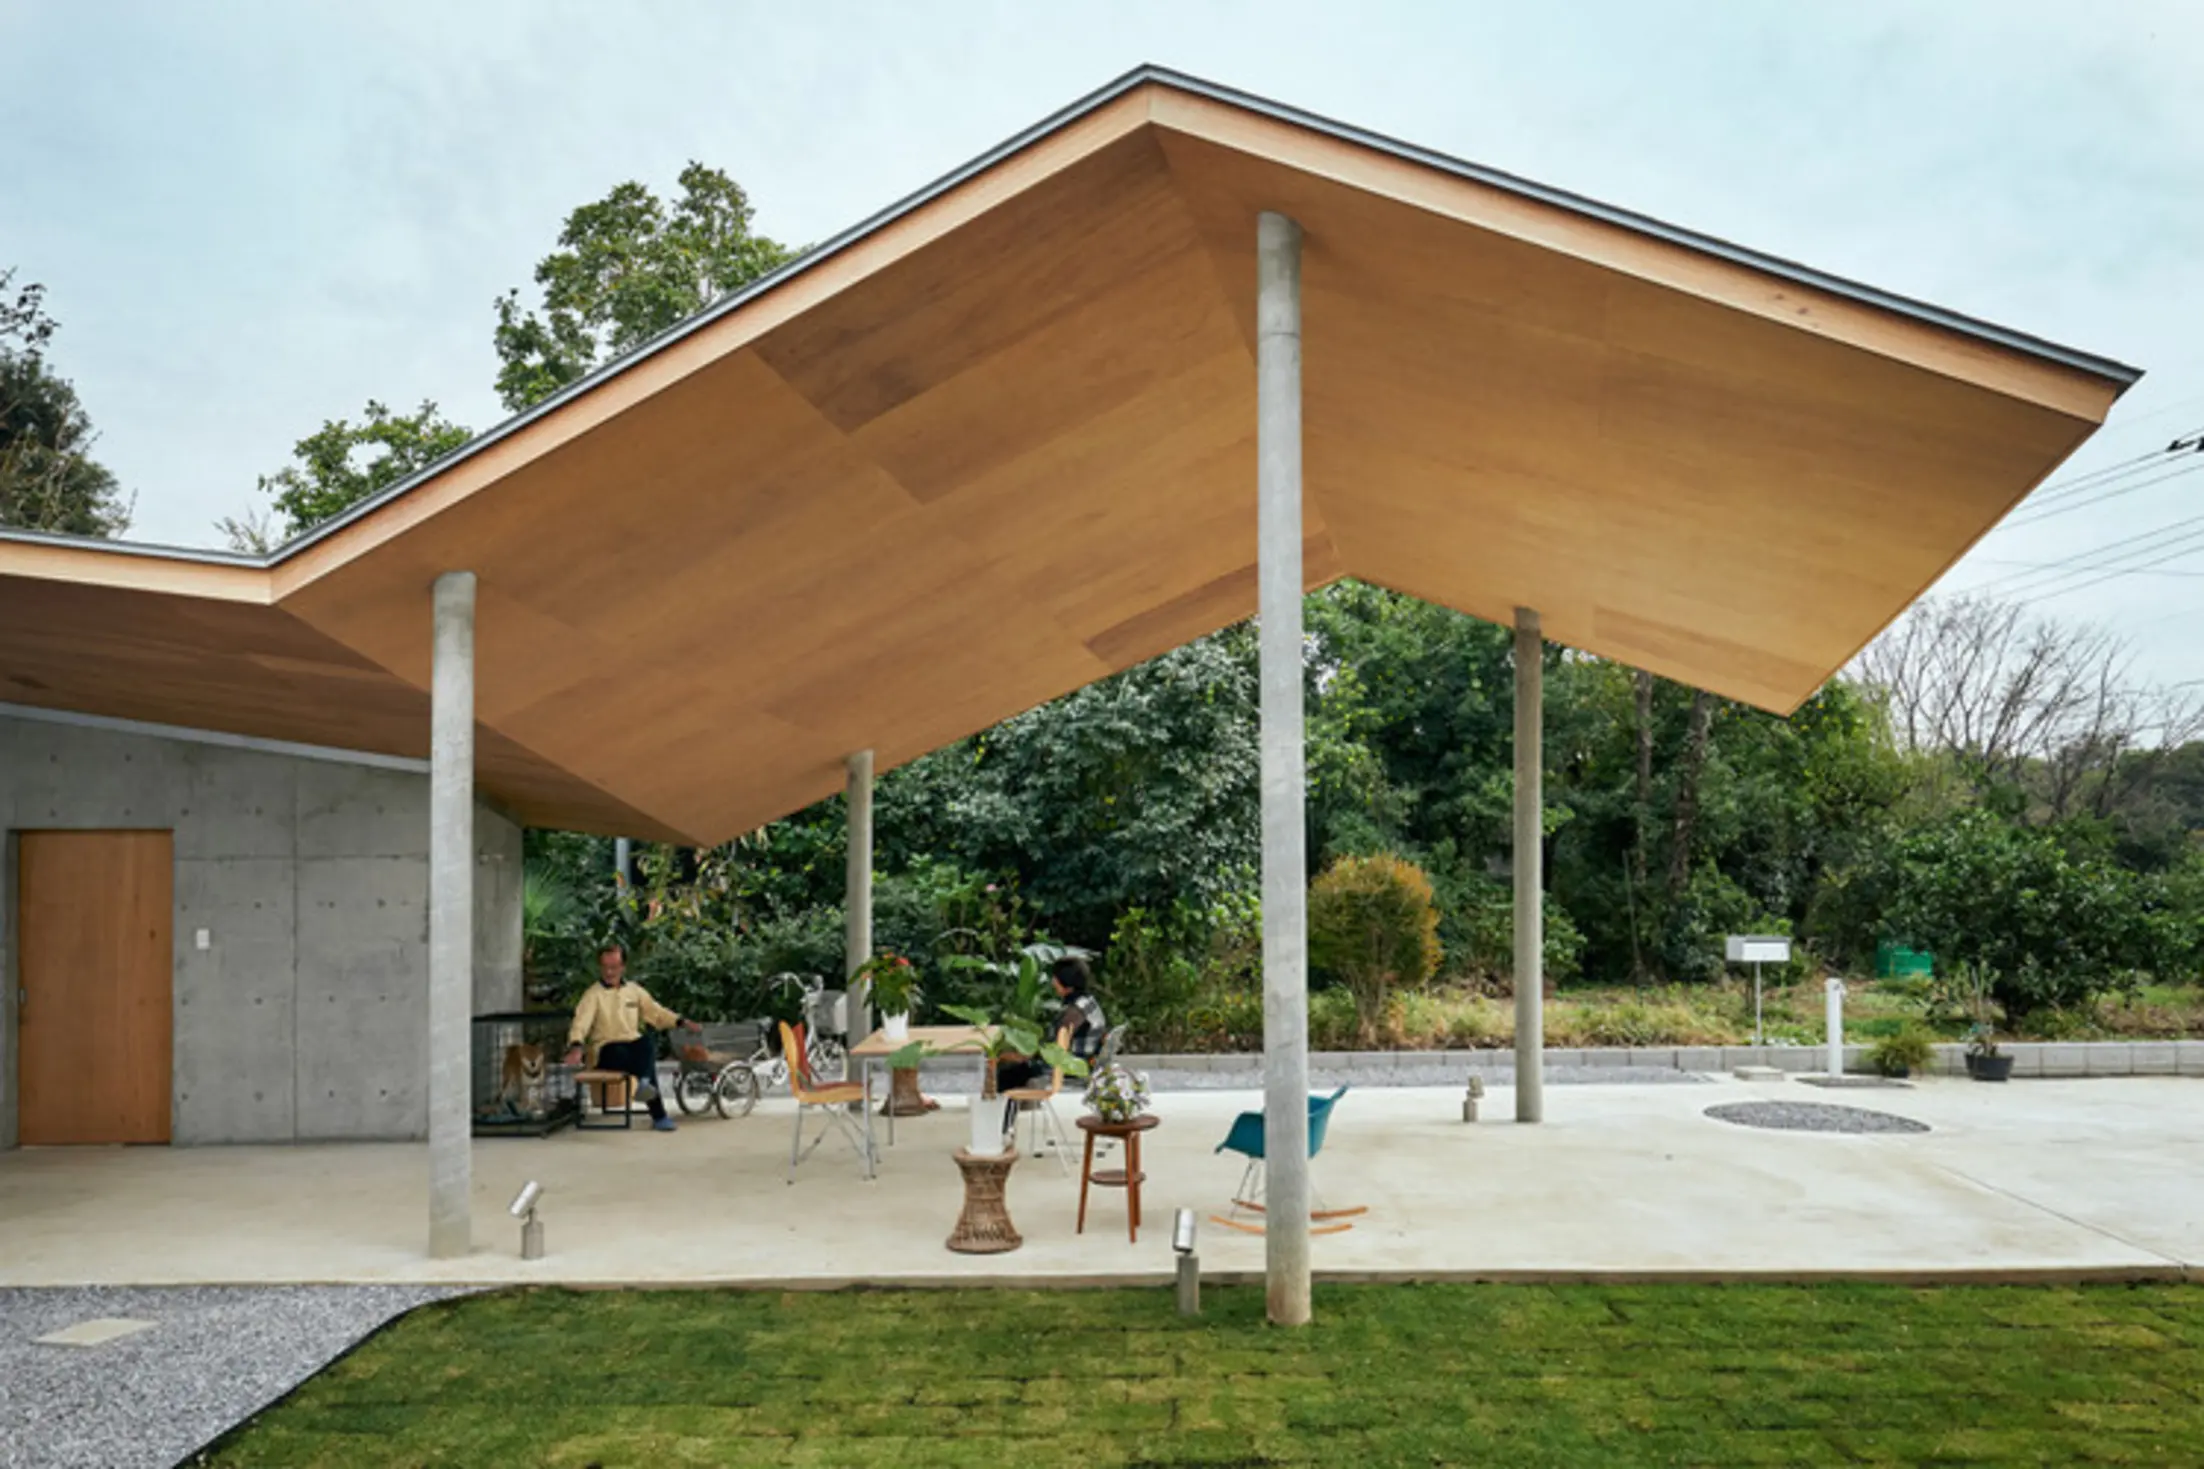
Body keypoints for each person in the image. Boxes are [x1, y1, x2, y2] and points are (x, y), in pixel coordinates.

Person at [563, 944, 701, 1132]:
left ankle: (643, 1084)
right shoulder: (592, 995)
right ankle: (657, 1113)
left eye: (614, 967)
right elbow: (581, 1023)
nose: (609, 972)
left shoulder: (634, 991)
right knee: (627, 1055)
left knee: (646, 1043)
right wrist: (576, 1047)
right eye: (605, 967)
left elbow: (656, 1012)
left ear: (623, 967)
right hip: (606, 1049)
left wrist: (681, 1021)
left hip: (632, 1045)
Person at [995, 954, 1107, 1096]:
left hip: (1067, 1068)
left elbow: (1054, 1048)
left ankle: (1003, 1115)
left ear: (1067, 983)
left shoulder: (1073, 1013)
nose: (1053, 982)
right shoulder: (1089, 1002)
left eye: (1055, 978)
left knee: (1006, 1075)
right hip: (1082, 1063)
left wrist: (1020, 1056)